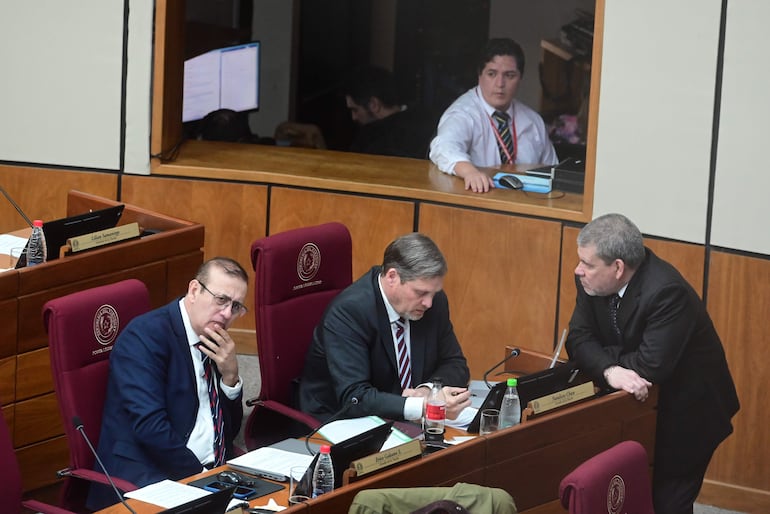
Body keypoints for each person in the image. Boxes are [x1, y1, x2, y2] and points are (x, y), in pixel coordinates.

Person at [565, 213, 739, 514]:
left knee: (666, 504)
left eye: (588, 264)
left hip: (688, 416)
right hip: (641, 409)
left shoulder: (666, 292)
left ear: (618, 267)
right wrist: (611, 370)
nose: (578, 270)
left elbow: (651, 366)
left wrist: (602, 356)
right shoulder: (589, 281)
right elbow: (577, 340)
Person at [88, 257, 249, 509]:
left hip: (210, 473)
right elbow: (151, 428)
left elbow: (229, 431)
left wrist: (230, 377)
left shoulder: (215, 341)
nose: (227, 313)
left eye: (236, 306)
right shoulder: (144, 337)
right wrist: (203, 478)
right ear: (194, 290)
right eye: (221, 300)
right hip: (151, 475)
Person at [298, 232, 471, 423]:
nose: (429, 302)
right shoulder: (350, 311)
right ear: (392, 277)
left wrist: (428, 391)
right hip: (341, 421)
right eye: (421, 292)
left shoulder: (433, 302)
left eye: (433, 293)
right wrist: (421, 406)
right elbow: (355, 398)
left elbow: (455, 364)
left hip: (403, 421)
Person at [429, 38, 558, 193]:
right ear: (479, 75)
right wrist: (470, 172)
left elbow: (554, 171)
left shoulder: (533, 121)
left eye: (509, 75)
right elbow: (442, 148)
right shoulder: (463, 113)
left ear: (520, 78)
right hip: (479, 199)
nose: (500, 84)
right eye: (492, 74)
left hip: (526, 203)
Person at [344, 66, 437, 159]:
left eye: (355, 110)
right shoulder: (429, 122)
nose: (354, 117)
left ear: (374, 104)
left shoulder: (369, 139)